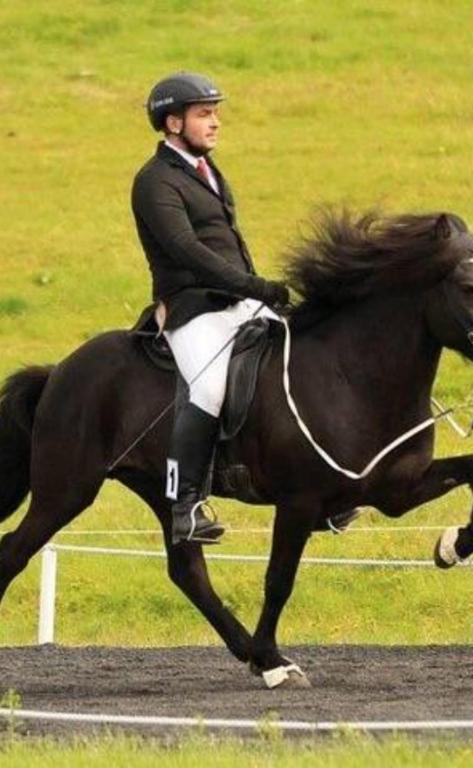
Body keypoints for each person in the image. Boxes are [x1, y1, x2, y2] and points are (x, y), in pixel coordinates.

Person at [131, 72, 289, 546]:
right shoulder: (154, 181)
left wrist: (257, 293)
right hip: (193, 310)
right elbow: (186, 249)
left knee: (297, 359)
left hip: (241, 301)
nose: (215, 122)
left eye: (216, 113)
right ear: (173, 122)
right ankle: (185, 506)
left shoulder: (208, 172)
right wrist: (253, 285)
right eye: (205, 114)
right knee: (210, 387)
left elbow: (229, 243)